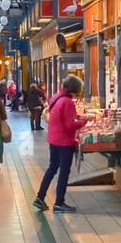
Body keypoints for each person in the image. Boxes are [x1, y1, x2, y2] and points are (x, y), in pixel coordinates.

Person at [33, 76, 94, 214]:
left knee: (52, 168)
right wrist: (85, 120)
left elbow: (62, 117)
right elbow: (70, 125)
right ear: (76, 88)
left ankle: (40, 197)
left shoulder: (56, 97)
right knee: (64, 172)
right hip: (64, 142)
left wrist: (77, 117)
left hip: (53, 139)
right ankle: (59, 203)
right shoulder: (68, 102)